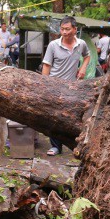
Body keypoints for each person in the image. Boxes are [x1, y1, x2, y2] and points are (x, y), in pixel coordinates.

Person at [41, 16, 90, 156]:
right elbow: (46, 65)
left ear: (75, 29)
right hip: (55, 86)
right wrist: (44, 86)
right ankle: (56, 146)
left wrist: (83, 68)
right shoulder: (53, 45)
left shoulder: (81, 44)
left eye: (67, 29)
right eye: (62, 29)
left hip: (72, 87)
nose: (64, 32)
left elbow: (87, 56)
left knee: (71, 117)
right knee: (54, 117)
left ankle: (74, 144)